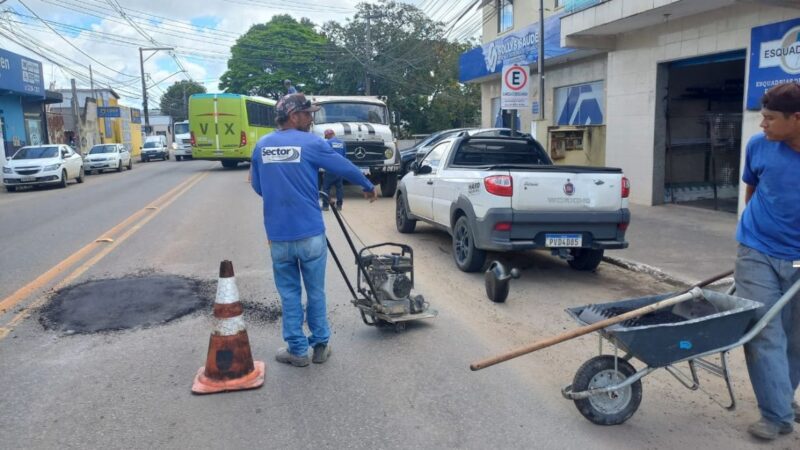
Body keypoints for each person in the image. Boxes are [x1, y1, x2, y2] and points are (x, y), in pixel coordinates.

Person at [250, 93, 378, 367]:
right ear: (293, 116)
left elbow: (259, 187)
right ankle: (320, 346)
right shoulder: (312, 142)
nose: (312, 119)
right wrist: (368, 187)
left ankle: (297, 351)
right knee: (316, 291)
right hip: (310, 234)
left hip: (279, 237)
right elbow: (343, 167)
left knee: (289, 294)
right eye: (308, 114)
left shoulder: (262, 146)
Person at [735, 82, 800, 440]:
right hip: (756, 250)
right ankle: (775, 414)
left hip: (799, 260)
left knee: (796, 337)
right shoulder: (759, 146)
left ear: (797, 119)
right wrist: (755, 232)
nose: (763, 125)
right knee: (763, 330)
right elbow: (752, 188)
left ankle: (782, 399)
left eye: (771, 119)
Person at [321, 129, 346, 211]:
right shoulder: (342, 143)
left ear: (328, 135)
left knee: (326, 188)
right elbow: (344, 157)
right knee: (339, 188)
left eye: (326, 136)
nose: (326, 138)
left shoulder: (327, 143)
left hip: (330, 169)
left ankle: (325, 206)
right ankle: (339, 205)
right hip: (340, 169)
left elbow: (325, 156)